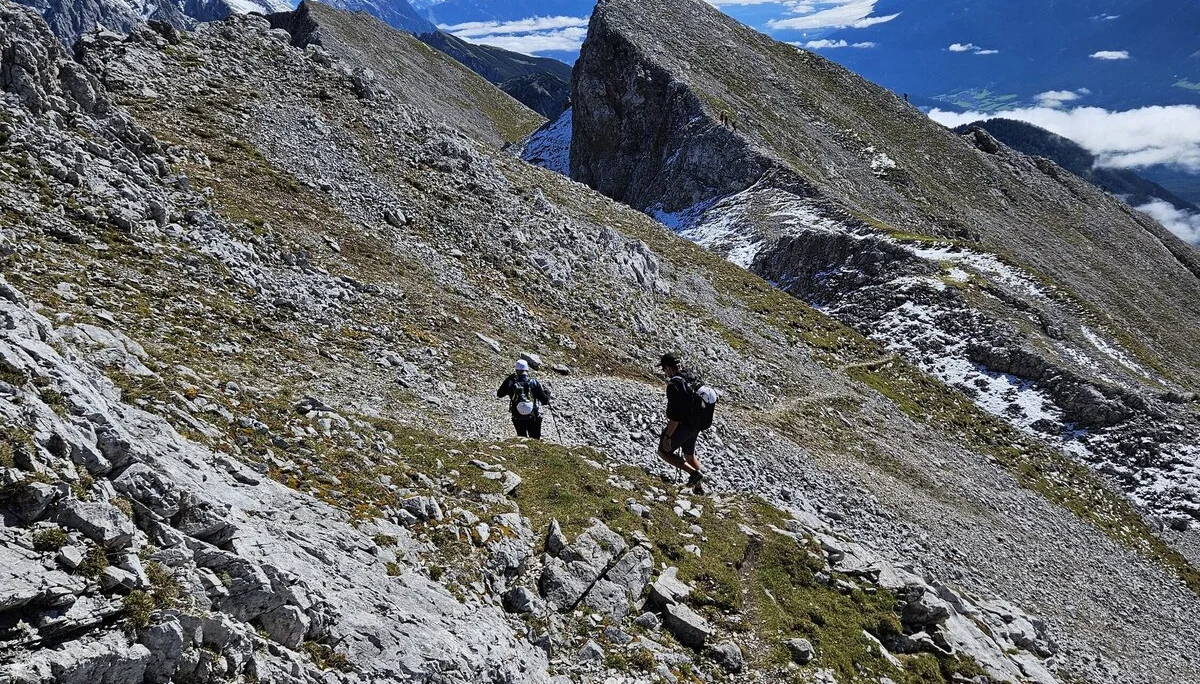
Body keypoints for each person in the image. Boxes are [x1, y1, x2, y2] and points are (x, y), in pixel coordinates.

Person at [657, 353, 706, 495]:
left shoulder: (674, 385)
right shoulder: (691, 375)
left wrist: (668, 436)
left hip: (685, 425)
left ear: (667, 368)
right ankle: (699, 488)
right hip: (697, 422)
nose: (664, 372)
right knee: (689, 455)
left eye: (663, 369)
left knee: (664, 452)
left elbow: (675, 418)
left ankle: (694, 474)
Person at [497, 359, 552, 439]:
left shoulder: (511, 382)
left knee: (522, 438)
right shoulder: (534, 382)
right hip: (533, 417)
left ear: (516, 370)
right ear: (527, 370)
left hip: (517, 417)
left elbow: (500, 394)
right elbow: (544, 401)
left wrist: (508, 379)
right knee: (535, 439)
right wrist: (547, 394)